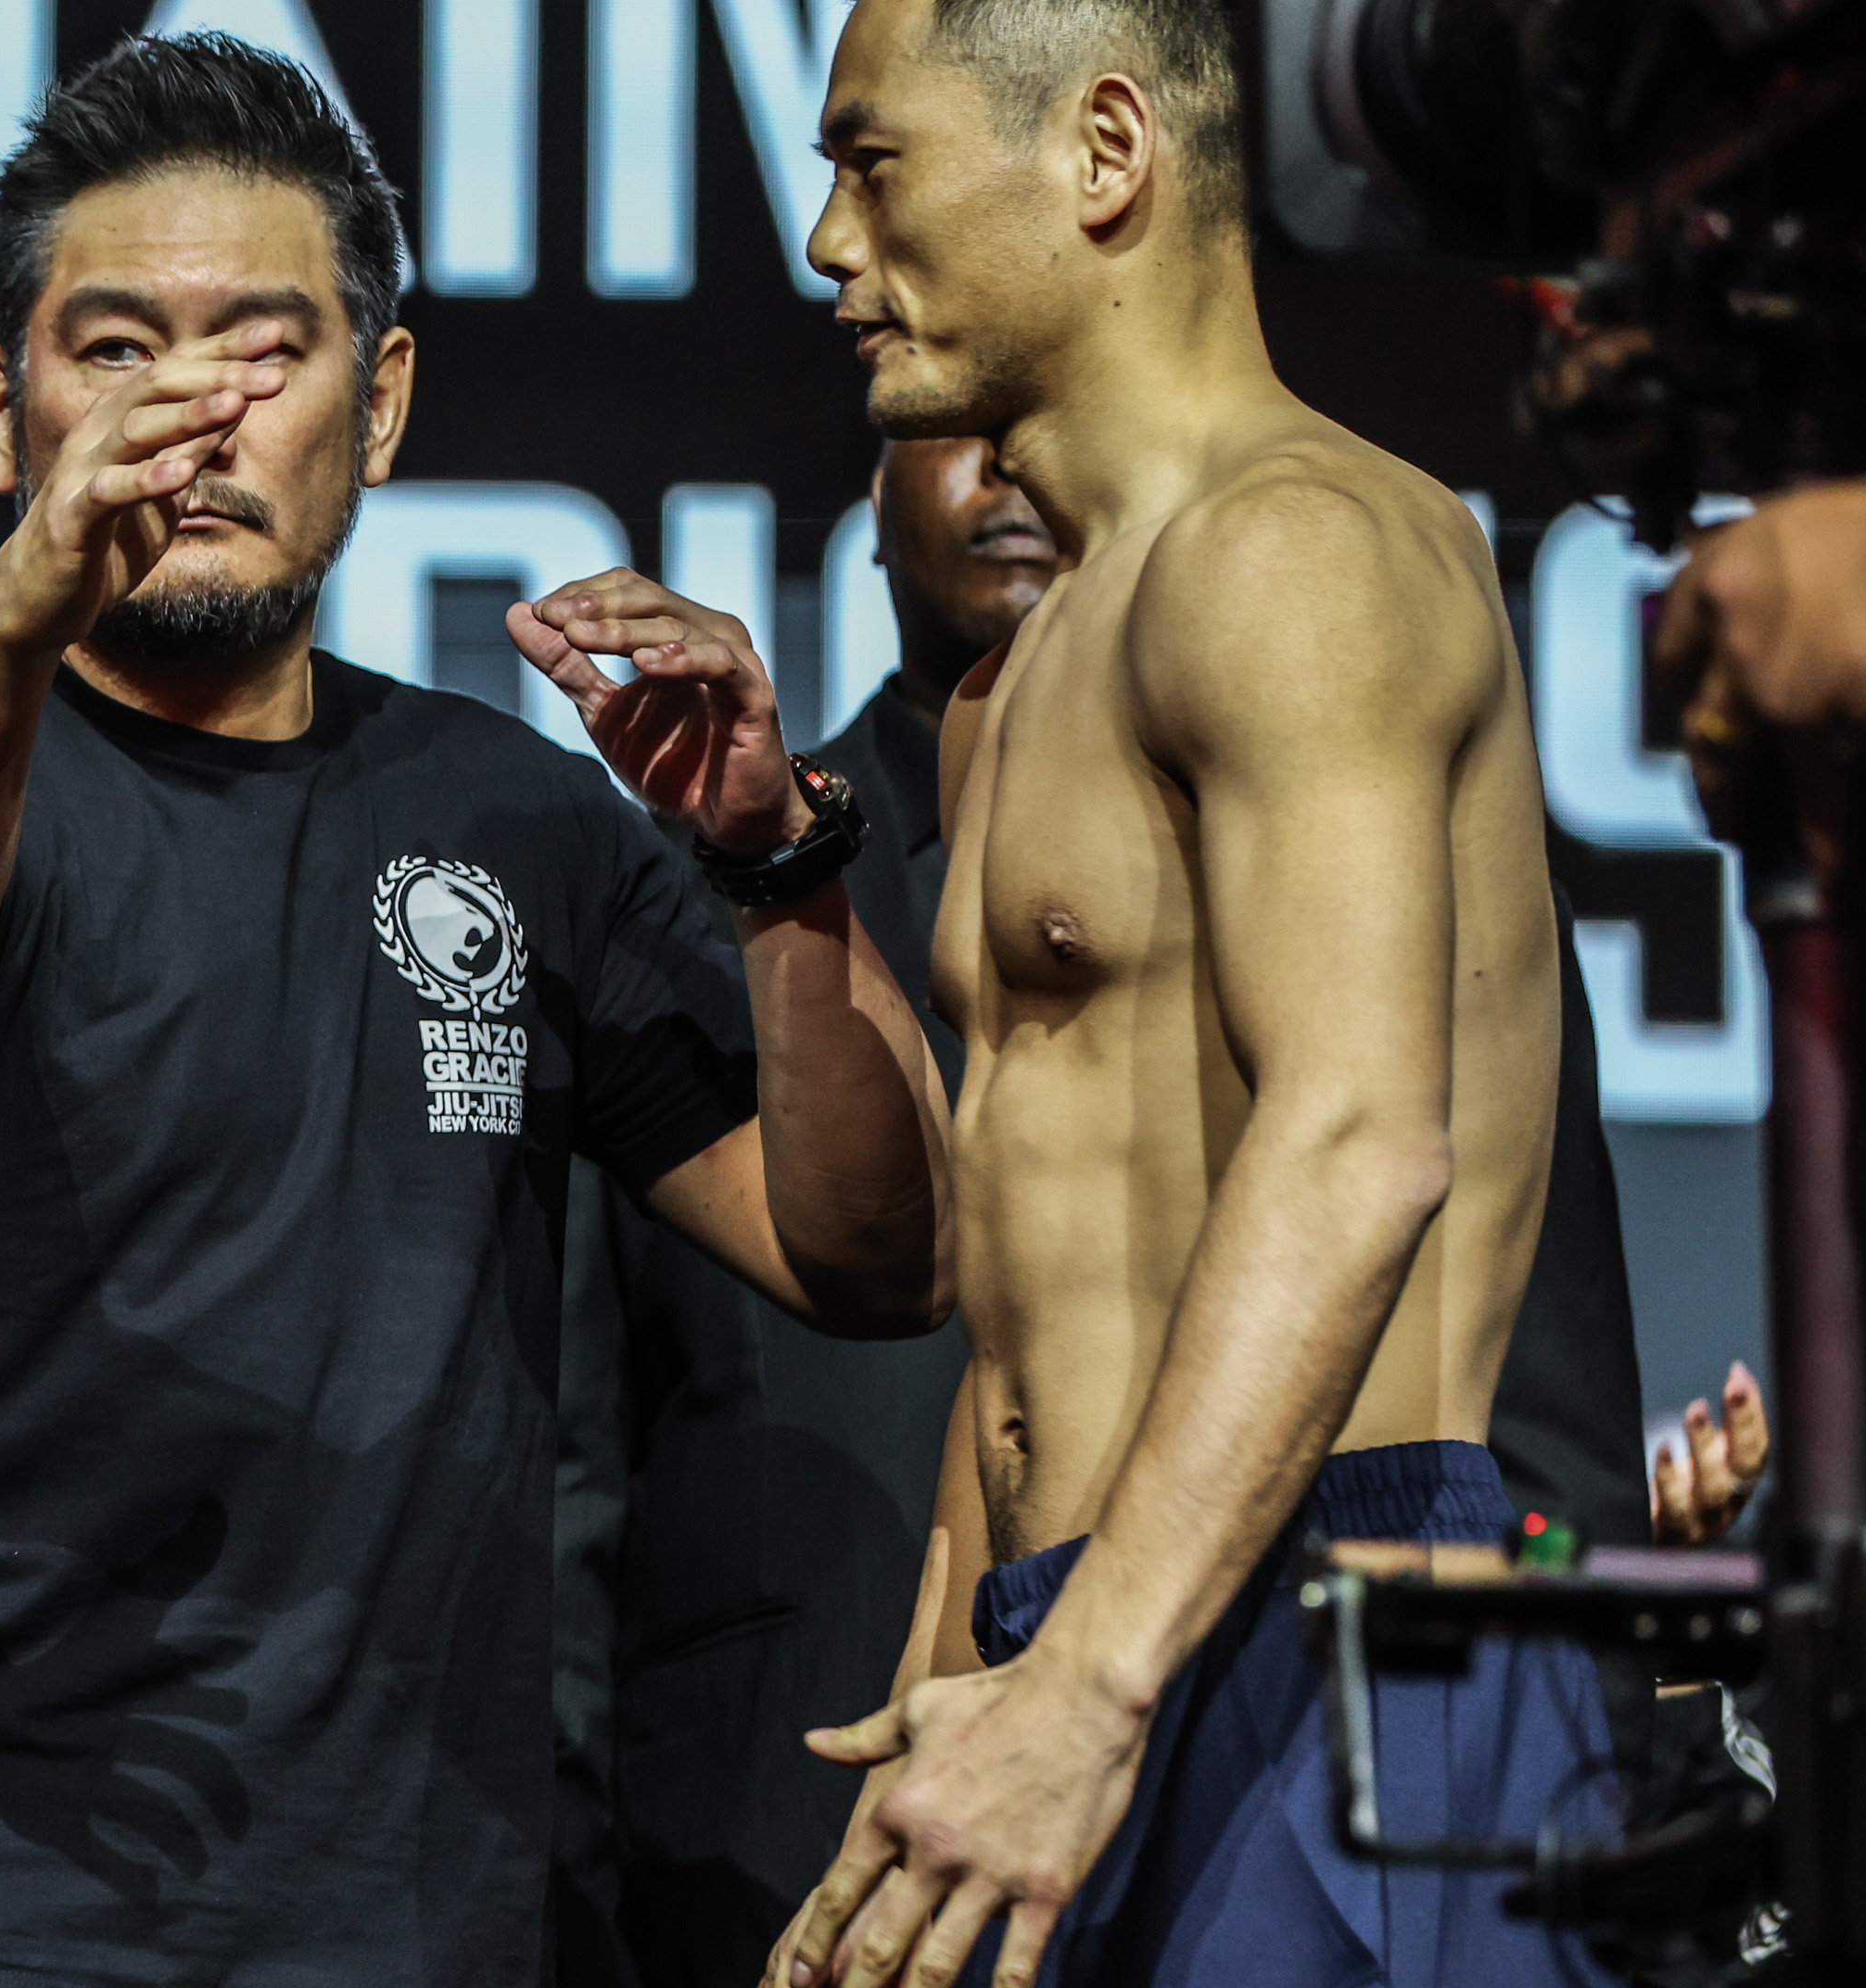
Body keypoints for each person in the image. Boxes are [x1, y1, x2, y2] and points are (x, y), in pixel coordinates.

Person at [0, 30, 950, 1985]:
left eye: (262, 351)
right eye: (115, 350)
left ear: (377, 404)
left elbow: (870, 1254)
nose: (191, 416)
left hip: (431, 1918)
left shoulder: (525, 818)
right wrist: (16, 609)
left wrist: (777, 865)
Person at [688, 0, 1609, 1988]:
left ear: (1106, 148)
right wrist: (952, 1708)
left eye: (875, 163)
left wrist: (1087, 1686)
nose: (832, 241)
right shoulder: (1034, 670)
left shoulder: (1297, 551)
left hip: (1336, 1629)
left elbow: (1361, 1137)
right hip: (1070, 1641)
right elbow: (1022, 1302)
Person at [558, 436, 1711, 1985]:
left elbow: (1548, 1418)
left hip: (1306, 1777)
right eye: (958, 438)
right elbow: (576, 1464)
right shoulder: (686, 887)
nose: (1012, 478)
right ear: (870, 494)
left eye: (1045, 431)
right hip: (791, 1829)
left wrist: (1603, 1812)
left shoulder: (1395, 834)